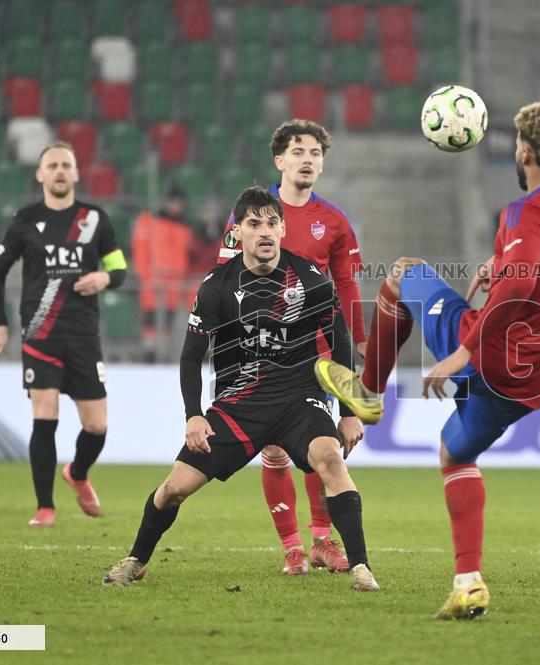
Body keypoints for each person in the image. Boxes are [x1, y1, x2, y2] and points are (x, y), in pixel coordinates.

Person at [314, 102, 540, 618]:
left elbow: (519, 285)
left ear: (526, 152)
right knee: (455, 455)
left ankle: (368, 391)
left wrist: (462, 352)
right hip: (533, 377)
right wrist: (508, 256)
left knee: (403, 273)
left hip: (491, 348)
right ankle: (468, 583)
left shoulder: (526, 211)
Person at [102, 186, 379, 593]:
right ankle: (136, 559)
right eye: (254, 224)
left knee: (330, 459)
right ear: (238, 233)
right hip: (239, 405)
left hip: (298, 398)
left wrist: (349, 410)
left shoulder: (310, 278)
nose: (264, 232)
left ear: (283, 229)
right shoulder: (216, 286)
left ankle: (360, 567)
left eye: (271, 223)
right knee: (173, 489)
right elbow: (190, 355)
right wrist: (193, 415)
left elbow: (338, 340)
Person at [216, 120, 366, 575]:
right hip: (258, 351)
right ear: (279, 160)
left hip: (316, 352)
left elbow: (346, 286)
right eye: (298, 151)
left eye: (316, 153)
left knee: (322, 448)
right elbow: (224, 275)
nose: (308, 159)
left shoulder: (335, 221)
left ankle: (322, 540)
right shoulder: (253, 214)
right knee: (275, 452)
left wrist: (357, 341)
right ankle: (293, 548)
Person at [0, 140, 128, 527]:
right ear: (41, 174)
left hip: (83, 334)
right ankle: (44, 506)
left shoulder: (95, 219)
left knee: (97, 426)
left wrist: (104, 277)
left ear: (77, 173)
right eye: (53, 165)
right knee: (44, 416)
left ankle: (77, 473)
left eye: (67, 164)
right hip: (40, 332)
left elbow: (120, 268)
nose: (60, 171)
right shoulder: (24, 220)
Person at [131, 185, 193, 362]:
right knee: (150, 317)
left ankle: (163, 351)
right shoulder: (149, 222)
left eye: (178, 203)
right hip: (154, 277)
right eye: (172, 202)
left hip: (176, 280)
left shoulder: (185, 228)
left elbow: (187, 256)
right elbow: (140, 250)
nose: (175, 206)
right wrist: (145, 274)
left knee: (168, 318)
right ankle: (149, 351)